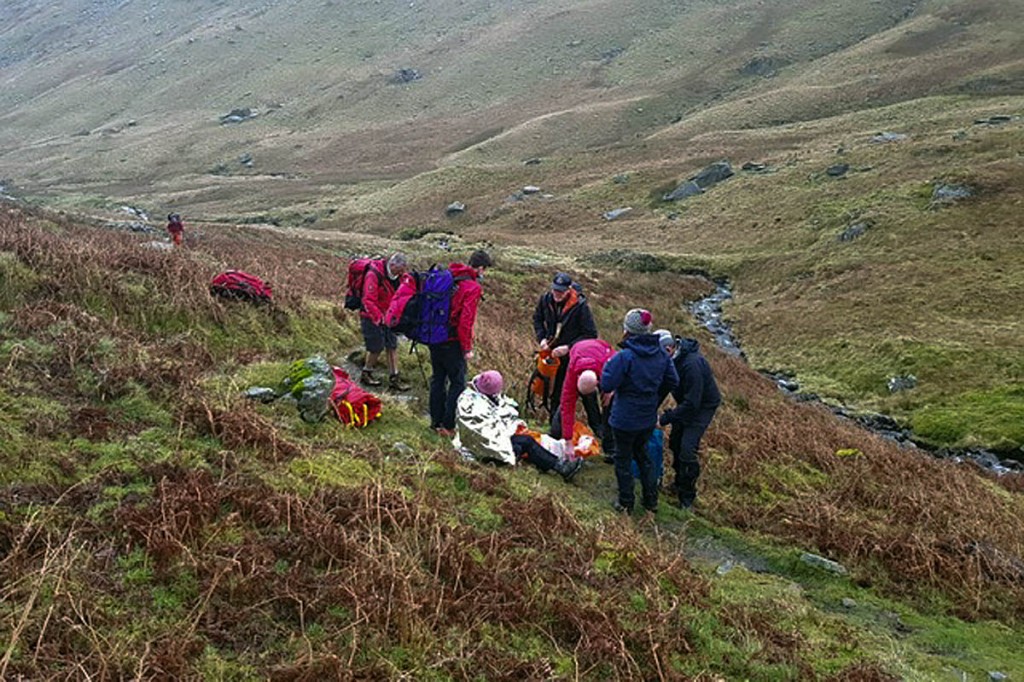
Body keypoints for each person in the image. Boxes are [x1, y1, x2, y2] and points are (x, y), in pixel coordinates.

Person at [600, 309, 678, 514]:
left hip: (624, 418)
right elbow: (673, 380)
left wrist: (608, 367)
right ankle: (651, 501)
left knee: (623, 459)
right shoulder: (661, 355)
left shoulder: (625, 356)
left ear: (627, 330)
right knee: (643, 456)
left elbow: (607, 384)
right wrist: (654, 398)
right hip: (647, 417)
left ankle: (626, 502)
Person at [455, 370, 582, 482]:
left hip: (486, 444)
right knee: (527, 442)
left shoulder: (476, 395)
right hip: (482, 448)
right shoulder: (474, 405)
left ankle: (550, 463)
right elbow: (484, 433)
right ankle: (560, 467)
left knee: (522, 444)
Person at [429, 249, 492, 437]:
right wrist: (467, 348)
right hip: (452, 341)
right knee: (457, 383)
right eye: (485, 270)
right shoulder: (472, 287)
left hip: (434, 336)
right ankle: (448, 426)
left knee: (438, 379)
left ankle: (435, 422)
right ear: (481, 268)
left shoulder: (450, 276)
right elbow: (465, 322)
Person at [658, 334, 721, 509]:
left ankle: (687, 498)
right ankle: (678, 483)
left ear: (669, 349)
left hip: (703, 406)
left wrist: (665, 418)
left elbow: (693, 403)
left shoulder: (692, 365)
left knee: (687, 448)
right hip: (687, 403)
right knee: (675, 442)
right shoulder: (670, 361)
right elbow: (665, 387)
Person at [532, 272, 598, 432]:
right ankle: (555, 430)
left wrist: (568, 347)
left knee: (587, 394)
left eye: (561, 291)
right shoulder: (546, 299)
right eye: (555, 290)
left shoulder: (580, 307)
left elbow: (590, 334)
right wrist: (542, 338)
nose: (557, 294)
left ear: (569, 290)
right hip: (553, 356)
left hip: (575, 357)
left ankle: (599, 429)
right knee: (556, 393)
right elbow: (537, 319)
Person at [551, 338, 615, 458]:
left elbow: (624, 371)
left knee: (611, 403)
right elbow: (567, 405)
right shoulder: (571, 374)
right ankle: (556, 436)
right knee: (565, 404)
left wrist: (612, 389)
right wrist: (568, 441)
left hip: (600, 349)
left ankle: (610, 447)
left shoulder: (609, 363)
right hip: (579, 350)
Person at [359, 253, 412, 390]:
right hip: (370, 316)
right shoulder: (373, 274)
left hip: (389, 315)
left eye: (403, 270)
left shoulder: (400, 276)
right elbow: (368, 300)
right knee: (376, 347)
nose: (401, 273)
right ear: (392, 265)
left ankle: (394, 378)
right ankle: (366, 373)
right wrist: (379, 318)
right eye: (399, 270)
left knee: (392, 345)